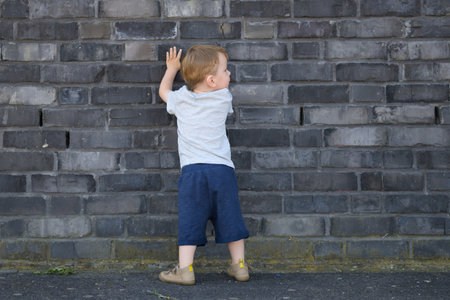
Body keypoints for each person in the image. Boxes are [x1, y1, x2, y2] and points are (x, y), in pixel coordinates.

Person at [157, 44, 250, 285]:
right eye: (226, 71)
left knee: (190, 219)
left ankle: (185, 269)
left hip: (193, 172)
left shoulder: (181, 100)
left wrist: (171, 69)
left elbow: (164, 91)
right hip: (222, 171)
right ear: (211, 80)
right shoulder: (223, 98)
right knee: (230, 217)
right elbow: (217, 89)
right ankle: (239, 266)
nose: (229, 74)